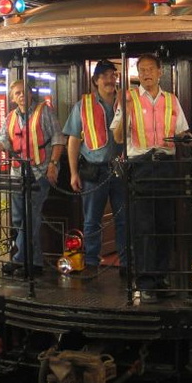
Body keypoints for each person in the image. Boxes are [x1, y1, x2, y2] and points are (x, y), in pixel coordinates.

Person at [111, 53, 192, 301]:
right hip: (141, 166)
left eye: (150, 69)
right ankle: (146, 282)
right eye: (141, 70)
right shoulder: (128, 98)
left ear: (160, 72)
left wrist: (189, 141)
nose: (145, 74)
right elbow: (117, 137)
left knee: (165, 224)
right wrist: (124, 112)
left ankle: (161, 277)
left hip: (166, 165)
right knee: (144, 225)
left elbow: (182, 131)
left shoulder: (171, 100)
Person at [0, 80, 65, 274]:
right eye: (17, 93)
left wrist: (53, 164)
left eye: (24, 91)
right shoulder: (11, 117)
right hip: (18, 174)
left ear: (31, 93)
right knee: (18, 220)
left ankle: (20, 260)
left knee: (30, 218)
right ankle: (35, 263)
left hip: (39, 173)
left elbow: (58, 138)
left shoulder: (44, 111)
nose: (21, 95)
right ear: (12, 98)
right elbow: (4, 141)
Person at [63, 59, 126, 272]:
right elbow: (73, 140)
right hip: (93, 170)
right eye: (104, 76)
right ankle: (91, 262)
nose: (110, 79)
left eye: (113, 75)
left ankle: (126, 263)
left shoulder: (126, 102)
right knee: (91, 221)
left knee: (124, 218)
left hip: (121, 169)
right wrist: (73, 173)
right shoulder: (83, 106)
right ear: (95, 80)